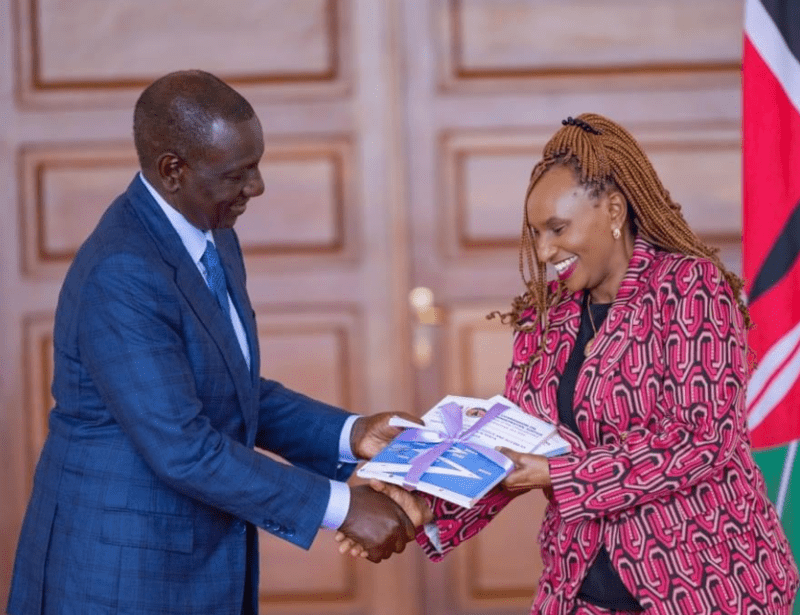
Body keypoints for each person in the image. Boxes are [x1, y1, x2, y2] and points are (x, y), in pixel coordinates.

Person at [341, 114, 800, 614]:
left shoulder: (690, 287)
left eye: (557, 228)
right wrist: (425, 505)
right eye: (536, 233)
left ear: (614, 210)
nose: (544, 250)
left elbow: (700, 440)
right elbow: (513, 442)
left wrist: (559, 474)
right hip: (579, 589)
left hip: (706, 586)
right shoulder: (548, 316)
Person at [7, 70, 419, 615]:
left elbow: (230, 389)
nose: (257, 188)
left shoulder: (211, 232)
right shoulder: (123, 271)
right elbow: (183, 447)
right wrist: (342, 507)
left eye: (257, 166)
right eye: (238, 174)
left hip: (193, 561)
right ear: (172, 171)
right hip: (120, 575)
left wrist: (352, 434)